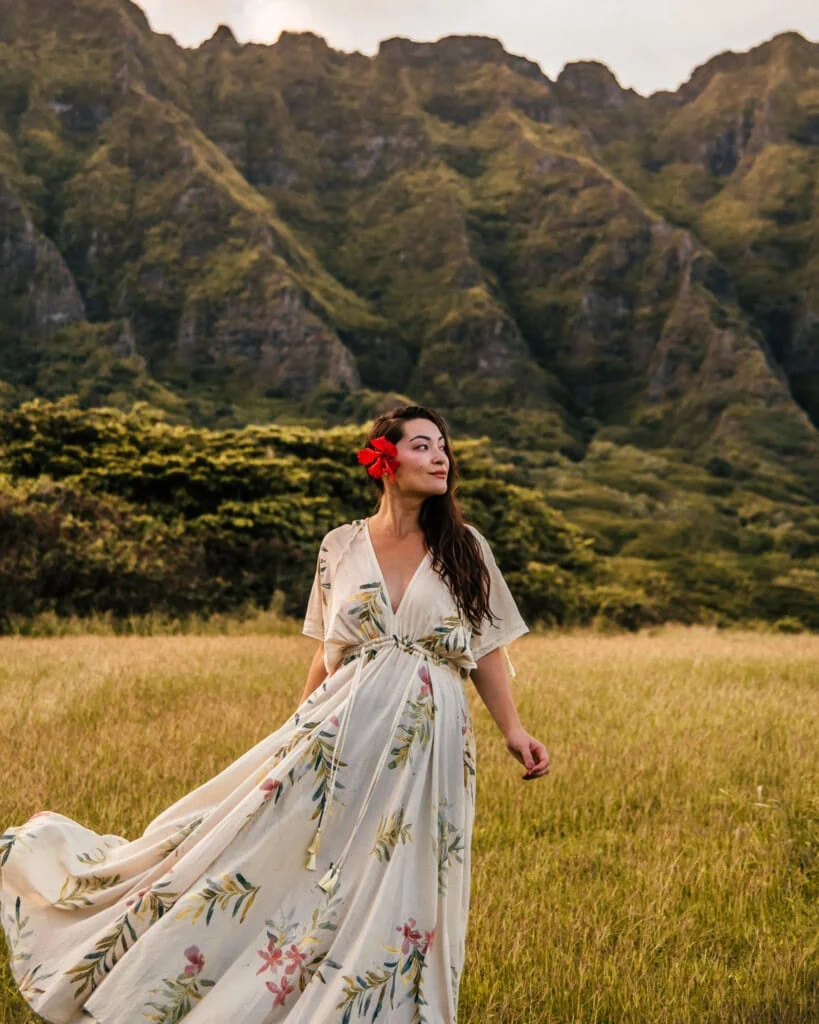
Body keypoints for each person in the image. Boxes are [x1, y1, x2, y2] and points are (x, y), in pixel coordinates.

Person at [0, 403, 550, 1023]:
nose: (441, 455)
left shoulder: (465, 548)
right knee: (255, 851)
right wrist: (296, 729)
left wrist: (514, 729)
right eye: (423, 445)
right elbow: (328, 651)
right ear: (384, 459)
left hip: (430, 745)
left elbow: (487, 649)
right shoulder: (340, 546)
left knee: (408, 876)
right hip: (338, 731)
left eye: (443, 446)